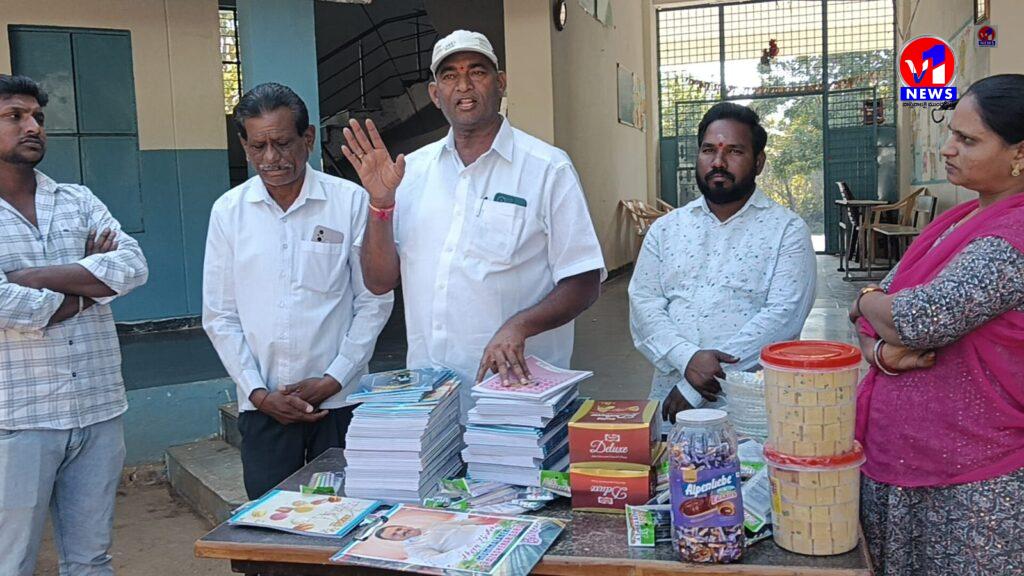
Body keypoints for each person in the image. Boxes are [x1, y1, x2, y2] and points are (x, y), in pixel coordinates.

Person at [341, 30, 605, 419]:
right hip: (431, 398)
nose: (463, 85)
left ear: (500, 83)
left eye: (477, 72)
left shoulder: (547, 168)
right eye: (449, 75)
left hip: (518, 395)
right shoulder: (410, 172)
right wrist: (381, 204)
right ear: (435, 94)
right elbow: (379, 281)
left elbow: (584, 280)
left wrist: (519, 326)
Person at [850, 74, 1024, 575]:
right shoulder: (959, 219)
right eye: (951, 133)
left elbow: (913, 318)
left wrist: (866, 302)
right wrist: (880, 349)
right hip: (903, 456)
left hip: (972, 478)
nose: (948, 148)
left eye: (967, 140)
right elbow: (882, 315)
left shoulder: (1012, 238)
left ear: (1020, 154)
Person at [202, 83, 393, 499]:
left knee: (346, 513)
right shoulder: (229, 213)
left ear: (307, 138)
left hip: (340, 403)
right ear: (245, 147)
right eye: (259, 146)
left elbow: (374, 300)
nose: (271, 158)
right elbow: (220, 315)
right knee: (269, 520)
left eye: (283, 143)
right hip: (265, 407)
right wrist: (258, 393)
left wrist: (334, 378)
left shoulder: (350, 202)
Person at [0, 74, 149, 576]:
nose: (33, 126)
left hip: (98, 407)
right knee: (11, 561)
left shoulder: (77, 199)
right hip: (17, 418)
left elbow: (132, 266)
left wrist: (31, 278)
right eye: (15, 116)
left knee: (91, 560)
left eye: (37, 117)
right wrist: (90, 283)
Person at [628, 102, 816, 430]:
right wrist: (686, 358)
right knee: (669, 464)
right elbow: (644, 304)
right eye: (708, 150)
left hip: (752, 410)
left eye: (734, 151)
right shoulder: (667, 229)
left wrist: (696, 384)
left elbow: (784, 316)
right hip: (671, 404)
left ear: (759, 162)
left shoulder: (787, 230)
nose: (718, 162)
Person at [376, 519, 491, 566]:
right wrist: (471, 548)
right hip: (483, 548)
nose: (401, 532)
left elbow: (462, 522)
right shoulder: (413, 548)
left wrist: (485, 521)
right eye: (395, 535)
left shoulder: (431, 525)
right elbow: (439, 560)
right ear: (395, 541)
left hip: (491, 530)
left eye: (398, 528)